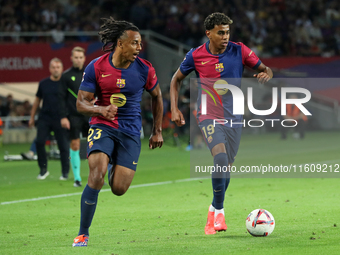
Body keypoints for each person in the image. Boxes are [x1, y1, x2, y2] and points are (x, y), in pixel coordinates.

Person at [170, 13, 273, 235]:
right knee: (220, 157)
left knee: (225, 168)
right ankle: (220, 212)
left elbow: (266, 69)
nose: (225, 36)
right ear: (209, 33)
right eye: (220, 32)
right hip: (208, 114)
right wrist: (175, 108)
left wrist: (266, 74)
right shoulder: (195, 55)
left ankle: (212, 207)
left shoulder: (240, 50)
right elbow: (175, 80)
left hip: (234, 117)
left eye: (227, 32)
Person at [72, 17, 163, 247]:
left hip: (131, 131)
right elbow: (81, 104)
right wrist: (101, 109)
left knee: (119, 189)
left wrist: (157, 131)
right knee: (96, 175)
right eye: (135, 43)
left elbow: (157, 97)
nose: (139, 48)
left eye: (140, 44)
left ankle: (112, 161)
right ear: (120, 44)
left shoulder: (145, 69)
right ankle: (83, 233)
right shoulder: (97, 66)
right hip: (102, 126)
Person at [29, 58, 70, 180]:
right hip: (45, 118)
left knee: (63, 146)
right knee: (39, 142)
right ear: (50, 69)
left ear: (62, 69)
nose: (56, 69)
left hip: (61, 118)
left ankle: (65, 173)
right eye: (53, 67)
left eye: (58, 67)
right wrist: (32, 117)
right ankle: (43, 170)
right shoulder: (43, 83)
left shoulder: (66, 83)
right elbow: (37, 101)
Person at [59, 46, 89, 187]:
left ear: (84, 58)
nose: (78, 60)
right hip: (73, 116)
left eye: (80, 57)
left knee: (95, 144)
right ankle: (77, 178)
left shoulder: (90, 74)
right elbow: (62, 98)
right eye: (75, 57)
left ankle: (97, 177)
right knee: (75, 144)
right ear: (71, 58)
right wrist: (64, 117)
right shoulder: (65, 76)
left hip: (90, 114)